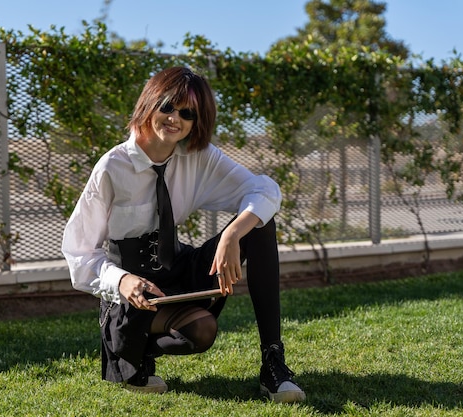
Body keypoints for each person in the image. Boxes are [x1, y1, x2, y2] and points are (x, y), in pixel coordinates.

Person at [61, 66, 306, 403]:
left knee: (260, 223)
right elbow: (78, 251)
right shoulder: (112, 167)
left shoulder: (198, 158)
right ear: (150, 104)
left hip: (177, 268)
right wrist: (121, 281)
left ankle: (273, 362)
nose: (175, 118)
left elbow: (264, 189)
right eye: (168, 106)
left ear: (196, 121)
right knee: (201, 332)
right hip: (131, 290)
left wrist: (232, 234)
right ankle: (136, 351)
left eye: (187, 113)